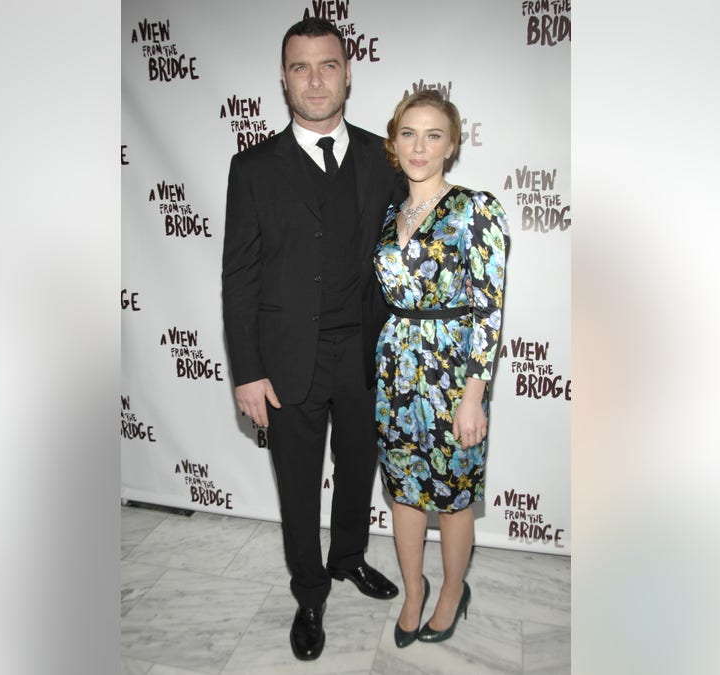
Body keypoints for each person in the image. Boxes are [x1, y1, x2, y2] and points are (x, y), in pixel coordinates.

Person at [221, 17, 402, 662]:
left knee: (358, 469)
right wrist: (246, 370)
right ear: (283, 78)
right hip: (288, 359)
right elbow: (238, 276)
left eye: (328, 65)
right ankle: (309, 590)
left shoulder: (386, 158)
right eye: (301, 67)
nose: (315, 79)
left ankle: (348, 556)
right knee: (297, 482)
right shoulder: (253, 167)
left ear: (349, 72)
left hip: (367, 353)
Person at [372, 89, 510, 647]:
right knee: (404, 491)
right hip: (396, 371)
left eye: (433, 134)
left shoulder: (477, 209)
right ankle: (413, 590)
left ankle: (454, 590)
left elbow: (488, 307)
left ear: (452, 144)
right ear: (394, 142)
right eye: (408, 133)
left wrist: (474, 394)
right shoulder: (389, 213)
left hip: (455, 375)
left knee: (452, 499)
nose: (419, 146)